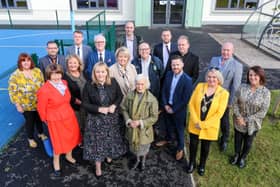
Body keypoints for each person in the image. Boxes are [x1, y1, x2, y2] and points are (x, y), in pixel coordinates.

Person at [82, 62, 127, 178]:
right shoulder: (88, 85)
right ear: (94, 73)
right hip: (95, 120)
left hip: (111, 118)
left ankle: (108, 155)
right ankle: (98, 166)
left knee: (110, 139)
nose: (100, 74)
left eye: (103, 71)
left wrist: (114, 105)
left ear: (107, 72)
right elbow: (85, 104)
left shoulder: (113, 82)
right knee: (97, 144)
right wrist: (99, 109)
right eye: (98, 72)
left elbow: (120, 96)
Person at [37, 64, 82, 177]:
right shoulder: (44, 90)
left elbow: (68, 99)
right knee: (58, 142)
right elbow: (41, 108)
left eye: (58, 74)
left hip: (68, 115)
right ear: (48, 75)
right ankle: (56, 162)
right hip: (55, 120)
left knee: (71, 137)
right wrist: (45, 120)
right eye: (53, 74)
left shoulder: (64, 83)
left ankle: (68, 155)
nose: (56, 77)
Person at [187, 68, 229, 176]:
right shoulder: (200, 86)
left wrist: (203, 125)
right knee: (193, 145)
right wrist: (196, 121)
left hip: (209, 127)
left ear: (219, 79)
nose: (211, 79)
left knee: (205, 148)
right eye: (209, 77)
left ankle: (202, 165)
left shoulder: (224, 93)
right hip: (195, 123)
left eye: (214, 77)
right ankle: (192, 163)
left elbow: (219, 114)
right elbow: (191, 104)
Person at [230, 66, 270, 168]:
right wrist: (239, 117)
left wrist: (246, 120)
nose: (252, 77)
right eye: (250, 75)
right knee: (237, 140)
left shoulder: (265, 92)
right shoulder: (242, 87)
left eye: (255, 75)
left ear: (260, 76)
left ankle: (243, 157)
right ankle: (236, 155)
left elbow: (263, 112)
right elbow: (234, 103)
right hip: (238, 121)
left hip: (253, 123)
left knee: (248, 143)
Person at [156, 55, 193, 161]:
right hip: (167, 106)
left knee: (179, 129)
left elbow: (185, 99)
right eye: (173, 65)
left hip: (179, 110)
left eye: (177, 64)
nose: (175, 67)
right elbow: (163, 90)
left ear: (182, 65)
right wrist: (165, 105)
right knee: (168, 125)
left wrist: (174, 109)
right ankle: (168, 139)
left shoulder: (187, 80)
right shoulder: (168, 74)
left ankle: (180, 147)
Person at [209, 42, 243, 152]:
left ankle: (224, 138)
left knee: (224, 119)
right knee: (210, 115)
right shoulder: (214, 60)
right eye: (224, 50)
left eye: (228, 50)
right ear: (221, 50)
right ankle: (212, 133)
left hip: (224, 98)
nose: (225, 52)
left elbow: (236, 86)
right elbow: (209, 76)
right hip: (211, 94)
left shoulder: (237, 66)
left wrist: (230, 102)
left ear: (232, 51)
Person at [8, 53, 47, 148]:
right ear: (20, 62)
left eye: (28, 60)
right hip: (26, 105)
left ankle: (41, 133)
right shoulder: (15, 75)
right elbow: (13, 92)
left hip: (39, 103)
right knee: (30, 121)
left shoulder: (37, 71)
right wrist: (18, 105)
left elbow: (43, 84)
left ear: (31, 61)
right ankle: (30, 138)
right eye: (23, 61)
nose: (26, 63)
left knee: (39, 119)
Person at [121, 74, 158, 171]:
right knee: (134, 148)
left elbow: (154, 117)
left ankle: (143, 161)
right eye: (137, 84)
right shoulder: (129, 95)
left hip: (144, 130)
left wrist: (140, 122)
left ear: (146, 85)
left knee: (143, 147)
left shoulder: (152, 99)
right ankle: (137, 160)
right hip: (132, 128)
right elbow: (123, 109)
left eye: (142, 84)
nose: (140, 87)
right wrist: (128, 120)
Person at [63, 54, 87, 135]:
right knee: (78, 124)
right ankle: (79, 141)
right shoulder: (64, 77)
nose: (72, 65)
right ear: (67, 64)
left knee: (87, 123)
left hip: (87, 104)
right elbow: (66, 93)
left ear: (79, 63)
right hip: (75, 106)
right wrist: (78, 102)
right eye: (70, 63)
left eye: (74, 62)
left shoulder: (84, 73)